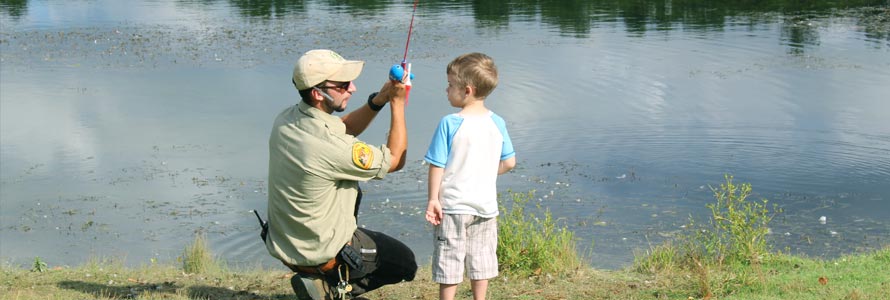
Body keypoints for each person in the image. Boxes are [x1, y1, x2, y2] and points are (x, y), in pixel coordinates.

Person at [265, 49, 417, 300]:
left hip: (285, 244)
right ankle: (331, 289)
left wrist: (378, 100)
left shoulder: (287, 118)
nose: (353, 88)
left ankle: (320, 281)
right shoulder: (328, 147)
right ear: (318, 93)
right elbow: (395, 159)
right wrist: (397, 104)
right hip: (320, 253)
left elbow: (342, 130)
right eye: (344, 84)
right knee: (405, 262)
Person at [424, 53, 516, 300]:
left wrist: (433, 199)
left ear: (466, 90)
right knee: (481, 259)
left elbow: (436, 165)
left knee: (449, 260)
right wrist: (484, 172)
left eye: (450, 85)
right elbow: (509, 162)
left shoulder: (450, 123)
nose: (446, 89)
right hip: (486, 207)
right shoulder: (497, 122)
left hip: (453, 207)